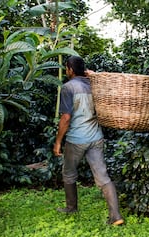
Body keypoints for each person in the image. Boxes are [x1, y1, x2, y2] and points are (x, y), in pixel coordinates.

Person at [53, 55, 124, 226]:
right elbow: (112, 84)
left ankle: (71, 207)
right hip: (96, 137)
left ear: (70, 69)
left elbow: (66, 118)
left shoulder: (68, 87)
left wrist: (58, 142)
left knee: (69, 173)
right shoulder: (94, 84)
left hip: (76, 139)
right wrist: (93, 75)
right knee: (103, 178)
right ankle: (116, 216)